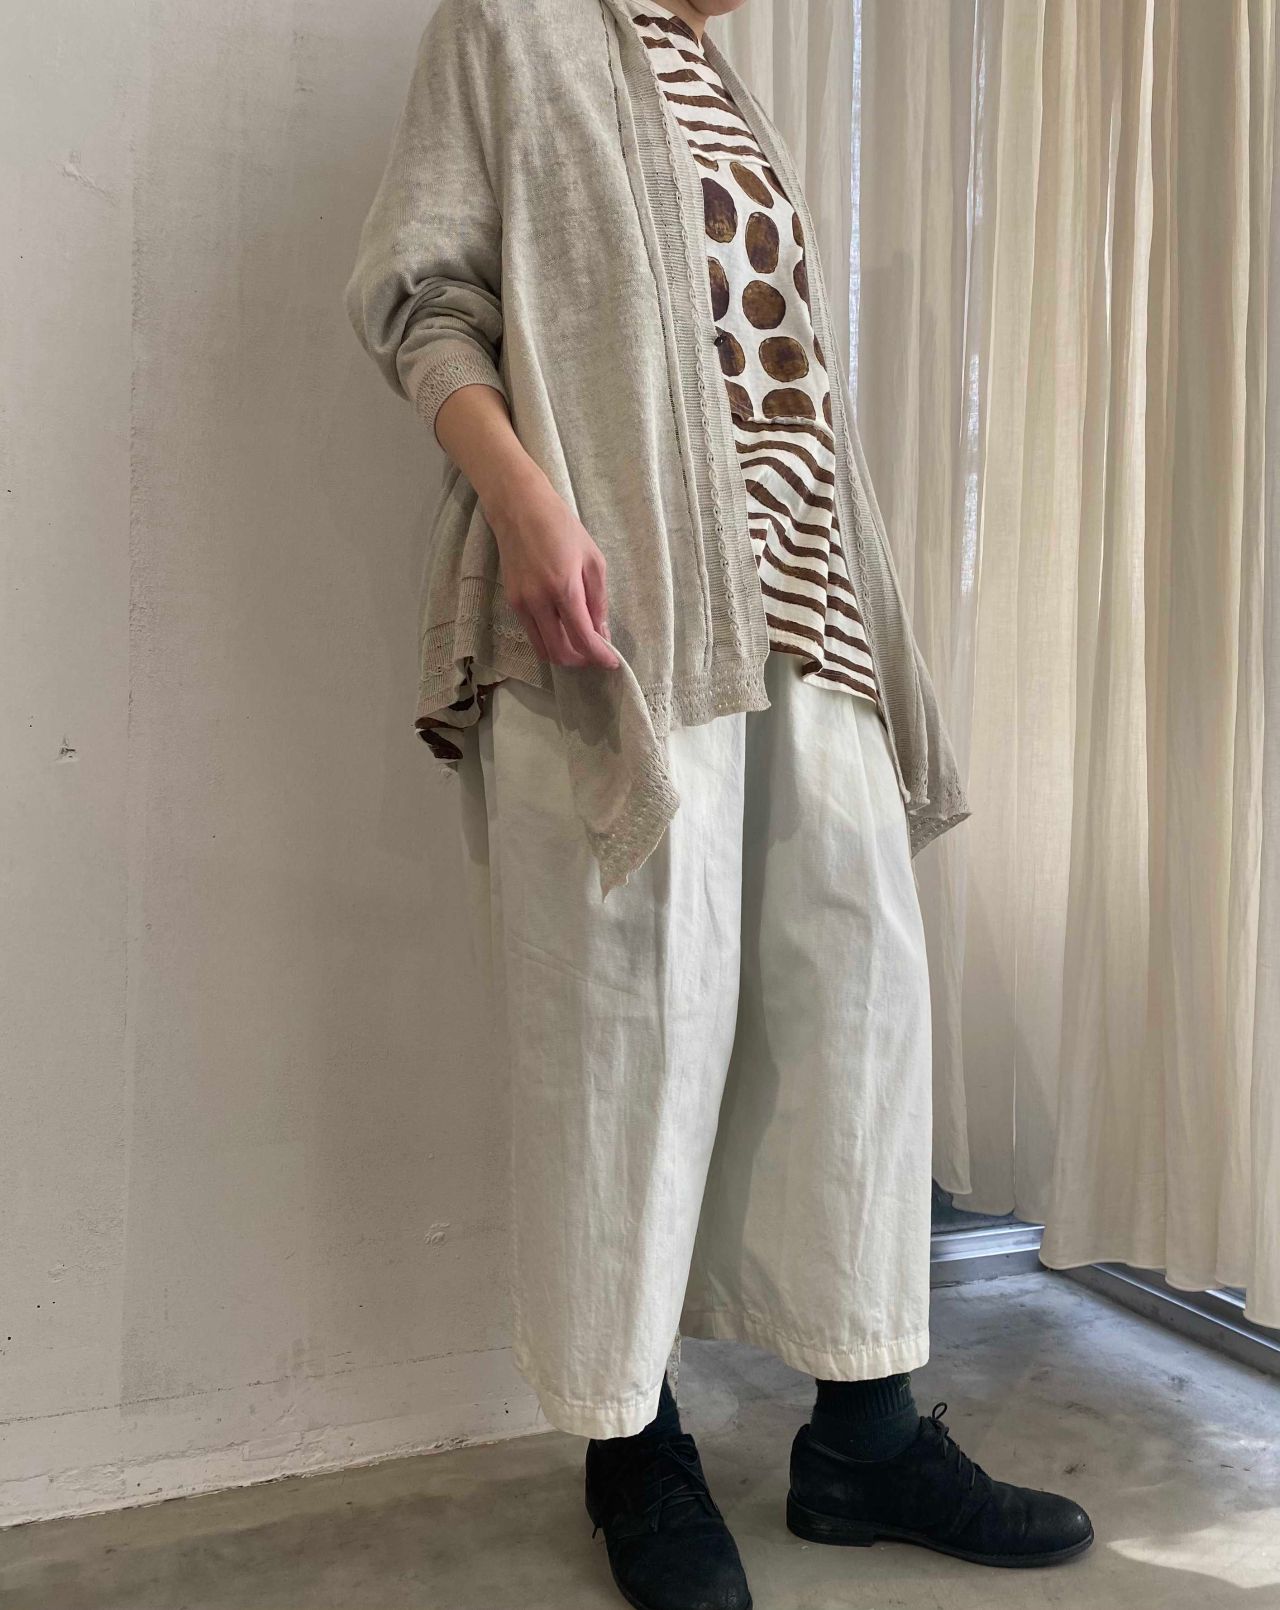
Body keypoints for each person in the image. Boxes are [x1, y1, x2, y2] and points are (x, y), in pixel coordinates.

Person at [345, 1, 1093, 1605]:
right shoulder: (513, 26)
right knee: (630, 1024)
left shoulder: (719, 75)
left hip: (804, 604)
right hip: (619, 612)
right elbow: (423, 299)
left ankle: (864, 1434)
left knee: (855, 1005)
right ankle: (634, 1447)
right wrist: (527, 506)